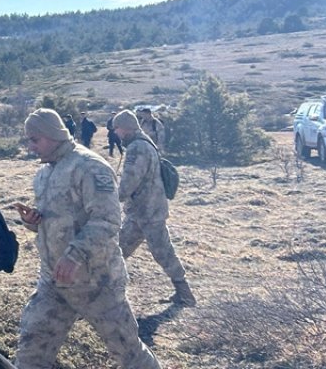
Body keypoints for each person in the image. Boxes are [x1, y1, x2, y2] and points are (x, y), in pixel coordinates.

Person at [11, 109, 161, 369]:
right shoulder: (44, 174)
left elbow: (107, 220)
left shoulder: (90, 167)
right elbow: (62, 221)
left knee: (128, 352)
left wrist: (75, 255)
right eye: (28, 140)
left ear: (52, 135)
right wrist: (36, 221)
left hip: (97, 283)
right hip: (54, 281)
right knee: (31, 350)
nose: (31, 147)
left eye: (35, 140)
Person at [112, 110, 195, 306]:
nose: (116, 133)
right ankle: (108, 293)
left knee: (162, 252)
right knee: (118, 250)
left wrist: (113, 198)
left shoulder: (137, 148)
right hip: (143, 211)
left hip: (147, 212)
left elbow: (130, 181)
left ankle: (185, 293)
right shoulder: (144, 142)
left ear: (125, 128)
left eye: (117, 129)